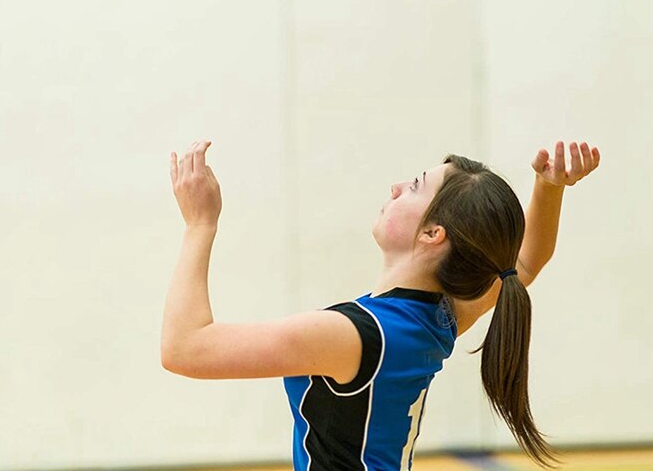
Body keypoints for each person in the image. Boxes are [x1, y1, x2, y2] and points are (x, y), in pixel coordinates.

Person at [162, 139, 601, 469]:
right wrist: (550, 187)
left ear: (433, 234)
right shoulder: (436, 317)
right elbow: (523, 263)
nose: (395, 187)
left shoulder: (351, 336)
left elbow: (185, 349)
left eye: (414, 187)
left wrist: (199, 224)